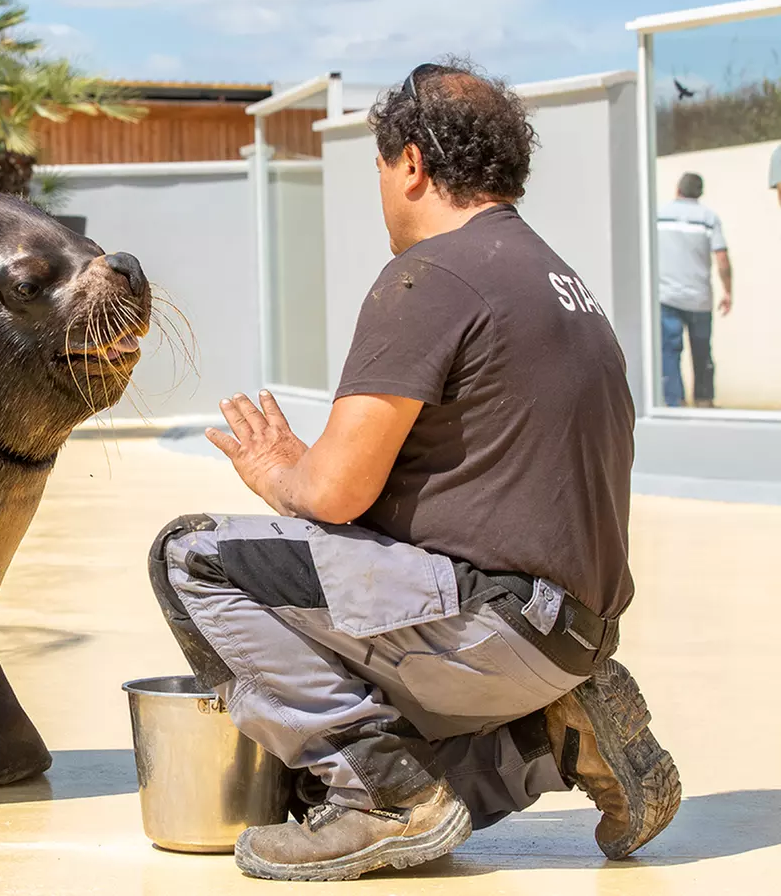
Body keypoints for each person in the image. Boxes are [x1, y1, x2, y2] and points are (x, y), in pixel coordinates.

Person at [148, 59, 680, 882]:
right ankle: (552, 734)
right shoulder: (562, 284)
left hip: (491, 627)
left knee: (193, 557)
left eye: (382, 170)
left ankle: (382, 800)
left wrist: (280, 471)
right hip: (574, 633)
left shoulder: (429, 275)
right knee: (346, 773)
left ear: (412, 164)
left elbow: (334, 493)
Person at [657, 172, 731, 407]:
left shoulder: (659, 215)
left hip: (666, 297)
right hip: (700, 299)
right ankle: (704, 401)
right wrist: (728, 291)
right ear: (700, 192)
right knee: (701, 352)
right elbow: (722, 259)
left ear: (678, 189)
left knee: (669, 351)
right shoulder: (709, 218)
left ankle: (673, 402)